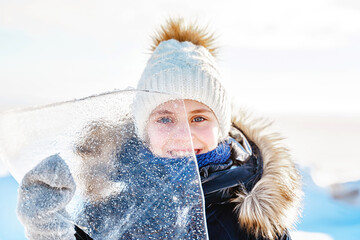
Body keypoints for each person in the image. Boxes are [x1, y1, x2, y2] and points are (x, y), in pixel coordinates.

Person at [16, 18, 302, 240]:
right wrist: (50, 229)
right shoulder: (112, 210)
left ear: (222, 127)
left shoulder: (253, 218)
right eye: (165, 119)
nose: (183, 135)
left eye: (199, 118)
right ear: (143, 129)